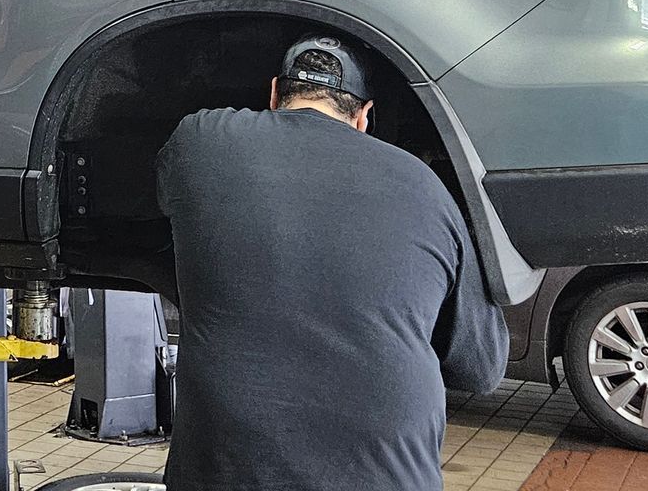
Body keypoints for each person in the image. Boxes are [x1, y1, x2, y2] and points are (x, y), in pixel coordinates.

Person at [155, 34, 509, 491]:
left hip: (231, 475)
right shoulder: (427, 189)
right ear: (363, 117)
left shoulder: (200, 140)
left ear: (273, 94)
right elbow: (481, 370)